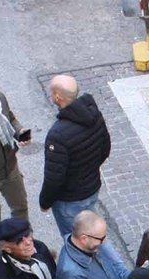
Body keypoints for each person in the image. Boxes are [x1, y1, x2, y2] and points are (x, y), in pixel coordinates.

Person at [39, 75, 111, 237]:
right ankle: (111, 261)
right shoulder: (94, 114)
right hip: (92, 189)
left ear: (57, 97)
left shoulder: (57, 135)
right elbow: (105, 147)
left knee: (76, 241)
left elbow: (54, 178)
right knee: (92, 233)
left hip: (70, 200)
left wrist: (45, 202)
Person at [0, 88, 29, 221]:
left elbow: (10, 118)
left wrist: (19, 131)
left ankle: (22, 238)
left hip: (10, 167)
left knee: (20, 209)